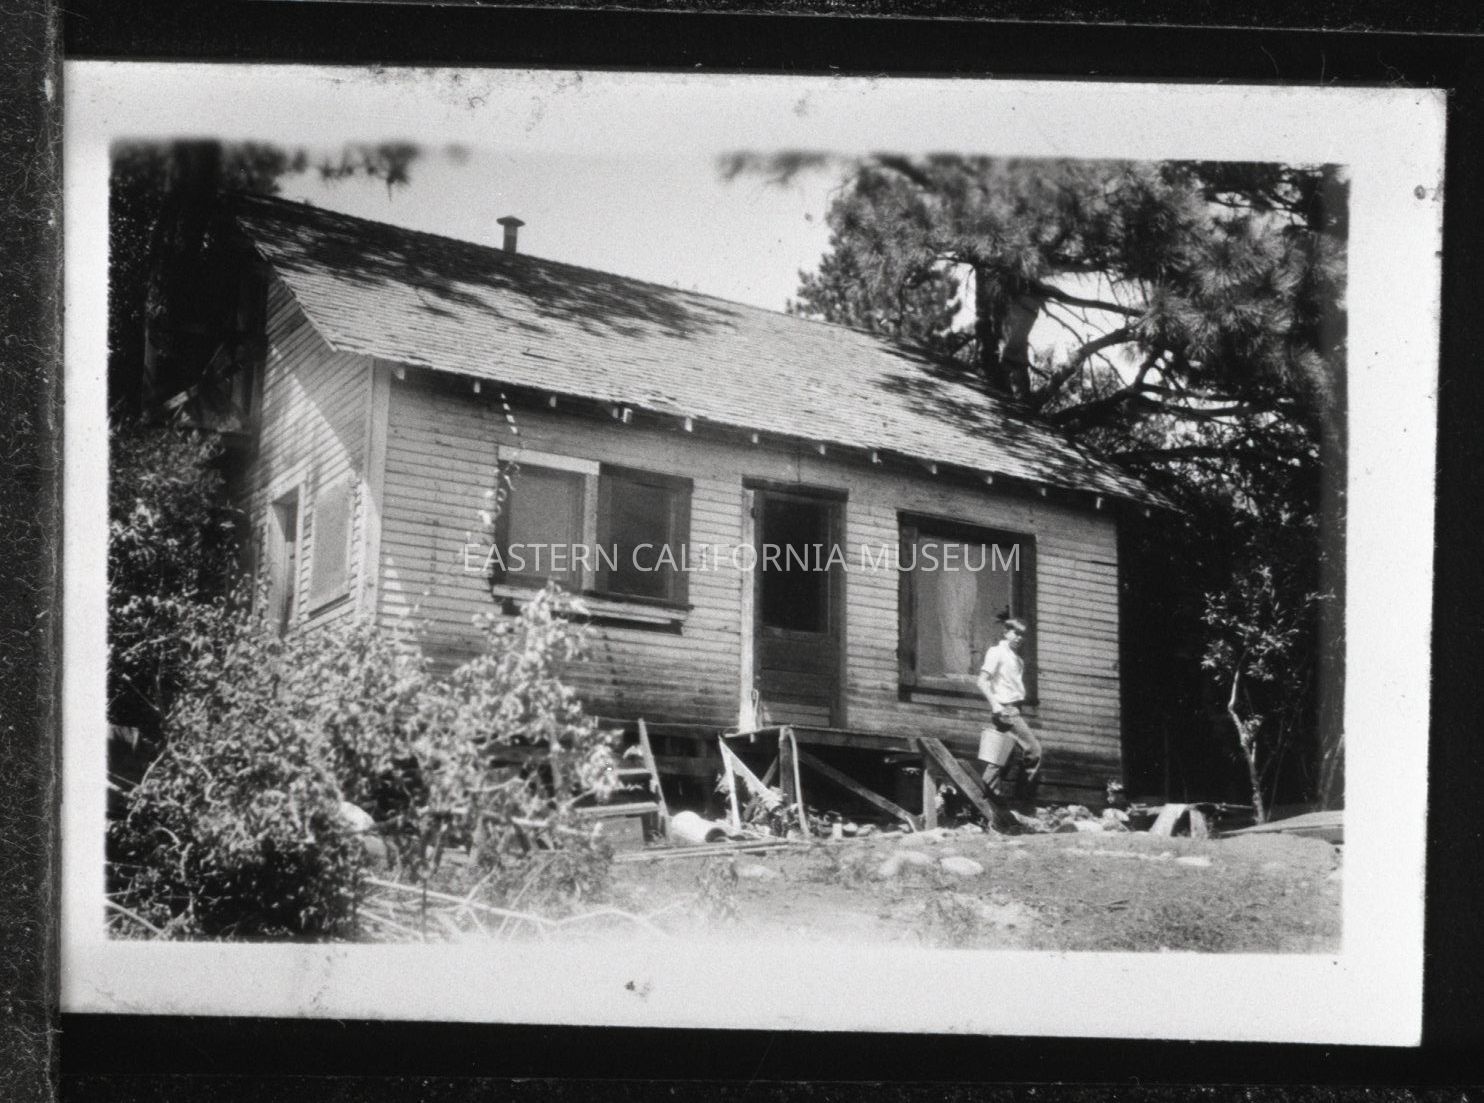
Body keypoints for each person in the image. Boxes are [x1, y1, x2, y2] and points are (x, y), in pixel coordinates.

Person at [976, 617, 1043, 797]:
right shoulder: (997, 652)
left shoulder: (1017, 659)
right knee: (1033, 750)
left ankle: (988, 793)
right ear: (1006, 632)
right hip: (1004, 709)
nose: (1019, 638)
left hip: (1014, 709)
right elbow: (982, 681)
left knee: (1003, 753)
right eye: (1016, 633)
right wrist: (995, 705)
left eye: (1022, 635)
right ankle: (1022, 798)